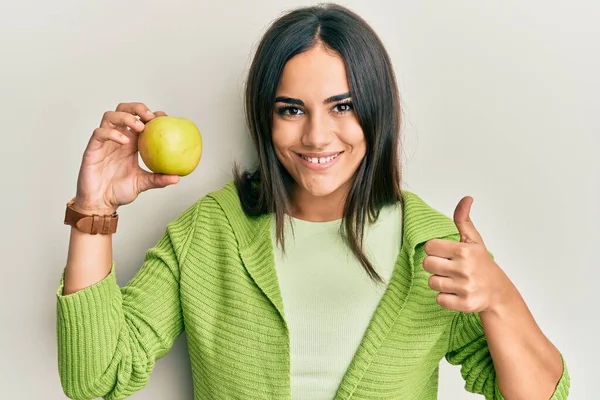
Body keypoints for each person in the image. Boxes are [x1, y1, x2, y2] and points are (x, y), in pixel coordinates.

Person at [56, 3, 570, 400]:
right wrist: (93, 210)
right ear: (265, 118)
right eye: (291, 110)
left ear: (377, 111)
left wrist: (500, 297)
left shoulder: (432, 248)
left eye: (342, 106)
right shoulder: (211, 233)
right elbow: (98, 378)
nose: (317, 136)